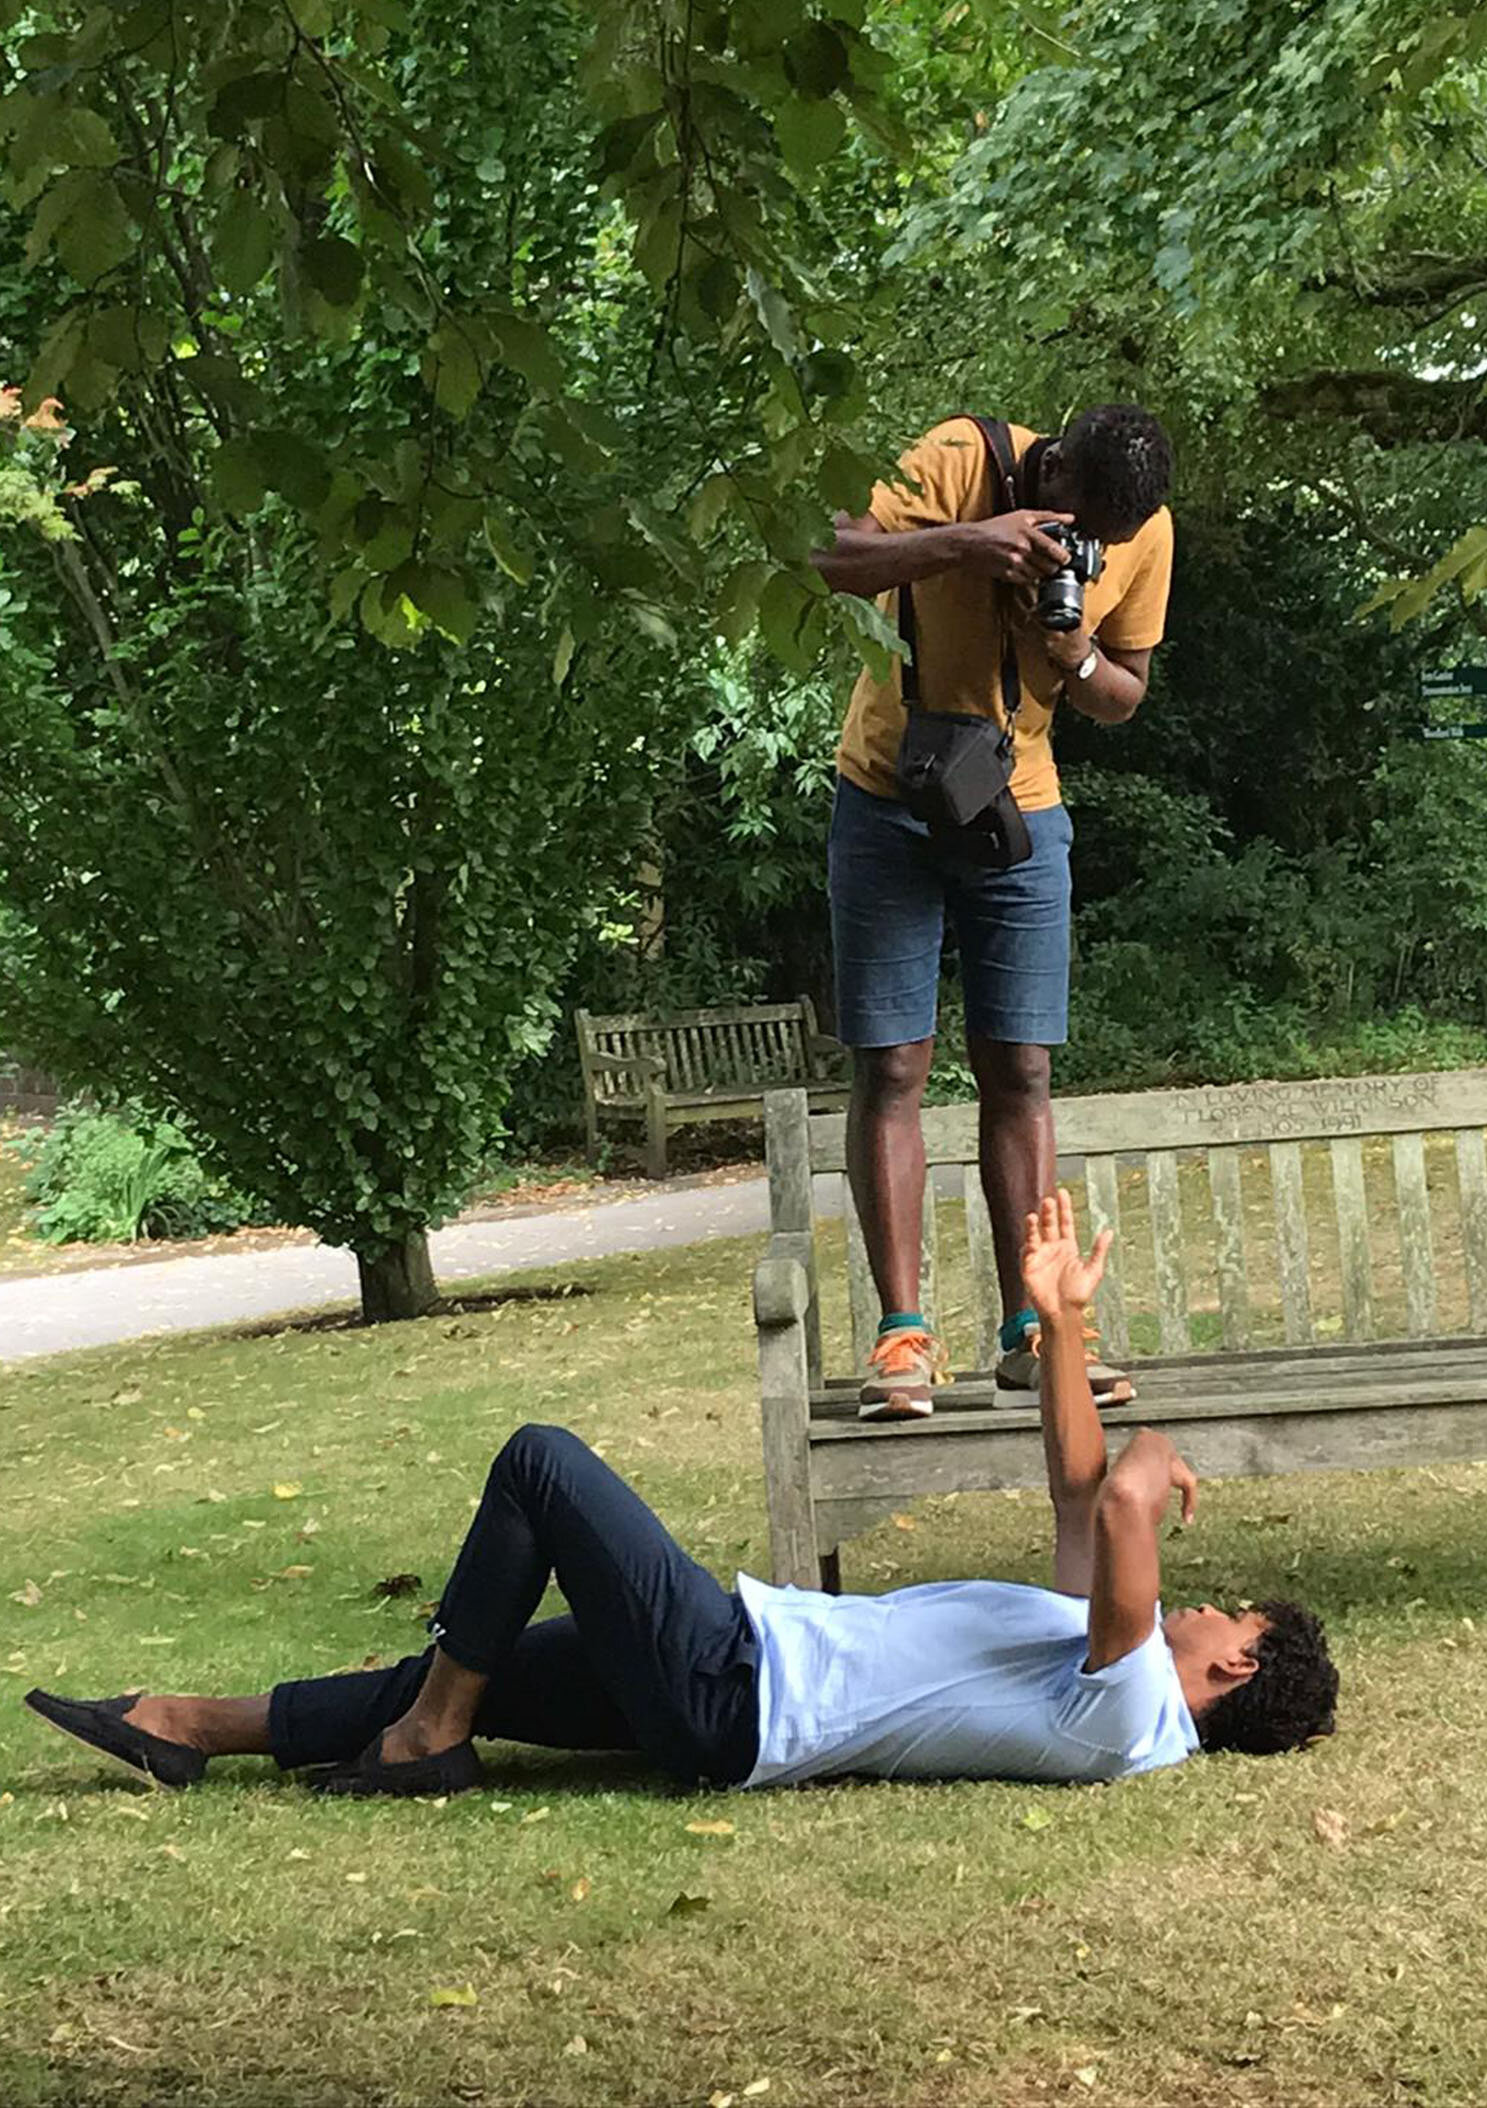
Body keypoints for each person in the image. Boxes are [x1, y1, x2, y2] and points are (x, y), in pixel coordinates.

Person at [24, 1196, 1337, 1798]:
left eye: (1230, 1618)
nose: (1205, 1605)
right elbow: (1072, 1493)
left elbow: (1116, 1506)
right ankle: (190, 1726)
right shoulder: (1099, 1665)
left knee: (542, 1461)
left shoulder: (1133, 1715)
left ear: (1234, 1674)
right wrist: (1059, 1329)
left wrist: (1153, 1450)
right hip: (736, 1668)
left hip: (734, 1690)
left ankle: (430, 1746)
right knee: (464, 1668)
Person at [812, 404, 1175, 1418]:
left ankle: (1033, 1326)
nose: (1090, 542)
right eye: (1075, 521)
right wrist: (973, 543)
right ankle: (903, 1339)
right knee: (893, 1063)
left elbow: (1126, 693)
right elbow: (830, 551)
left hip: (1020, 811)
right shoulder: (960, 457)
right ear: (1051, 469)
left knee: (1020, 1066)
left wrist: (1072, 657)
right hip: (889, 790)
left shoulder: (1145, 527)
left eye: (1109, 533)